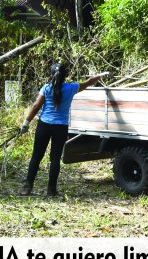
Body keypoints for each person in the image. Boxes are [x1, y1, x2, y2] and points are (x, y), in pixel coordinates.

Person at [18, 63, 106, 196]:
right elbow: (88, 82)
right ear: (65, 75)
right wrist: (100, 75)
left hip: (44, 126)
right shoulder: (72, 88)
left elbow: (36, 106)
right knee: (55, 158)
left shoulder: (46, 88)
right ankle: (51, 190)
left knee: (36, 156)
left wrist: (26, 123)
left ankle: (27, 188)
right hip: (61, 128)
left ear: (51, 74)